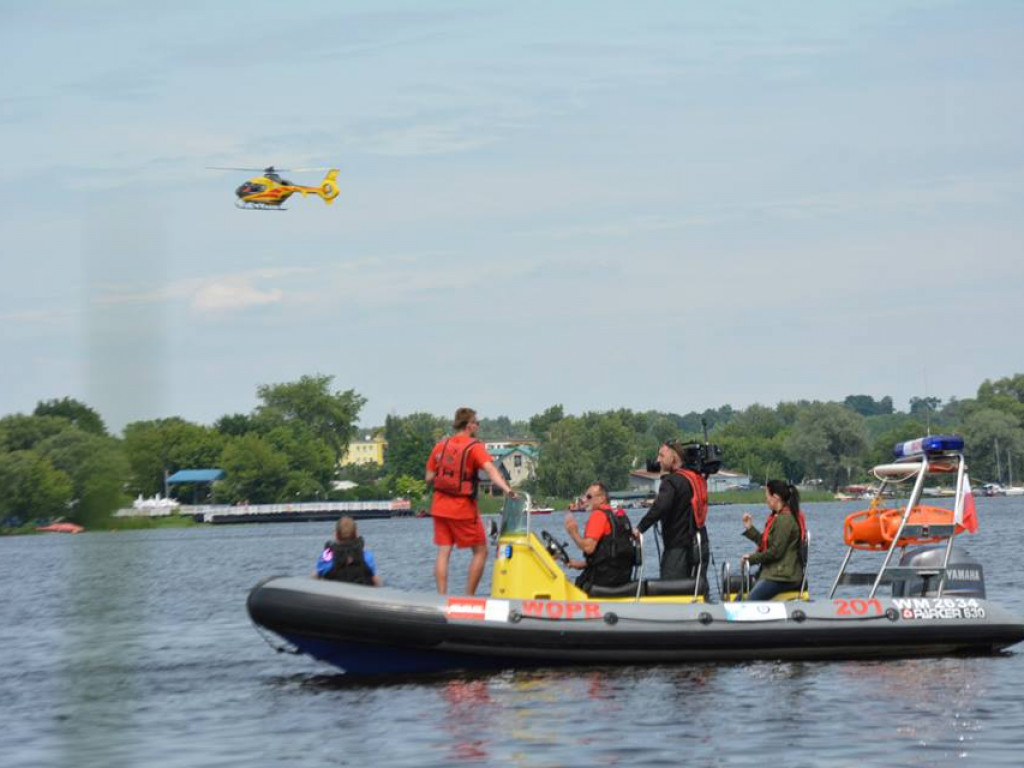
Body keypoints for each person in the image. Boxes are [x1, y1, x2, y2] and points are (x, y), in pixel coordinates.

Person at [425, 407, 516, 595]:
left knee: (444, 552)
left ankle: (441, 597)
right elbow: (491, 471)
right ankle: (469, 597)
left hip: (439, 505)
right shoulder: (474, 447)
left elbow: (428, 477)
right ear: (469, 425)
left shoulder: (440, 446)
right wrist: (507, 489)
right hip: (462, 508)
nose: (478, 426)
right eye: (477, 423)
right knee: (481, 552)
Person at [634, 441, 710, 581]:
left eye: (662, 456)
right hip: (700, 544)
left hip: (678, 548)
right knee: (698, 587)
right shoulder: (694, 478)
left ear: (673, 458)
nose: (658, 460)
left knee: (672, 590)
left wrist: (640, 528)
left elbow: (660, 507)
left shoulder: (671, 482)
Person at [740, 480, 807, 601]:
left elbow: (775, 552)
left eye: (767, 496)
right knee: (740, 597)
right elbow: (767, 544)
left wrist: (751, 559)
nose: (765, 500)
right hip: (775, 573)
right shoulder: (778, 517)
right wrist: (750, 528)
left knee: (751, 600)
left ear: (776, 497)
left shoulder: (785, 520)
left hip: (783, 576)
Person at [564, 482, 636, 593]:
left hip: (603, 579)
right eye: (585, 496)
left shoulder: (598, 515)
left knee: (571, 587)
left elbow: (588, 548)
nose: (585, 500)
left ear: (602, 498)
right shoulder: (619, 515)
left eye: (589, 497)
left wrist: (573, 532)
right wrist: (582, 564)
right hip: (622, 576)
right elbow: (611, 555)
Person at [315, 516, 381, 586]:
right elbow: (373, 576)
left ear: (336, 535)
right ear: (356, 534)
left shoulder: (327, 555)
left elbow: (320, 572)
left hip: (333, 592)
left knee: (316, 575)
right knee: (375, 579)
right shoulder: (366, 556)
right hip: (360, 592)